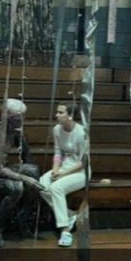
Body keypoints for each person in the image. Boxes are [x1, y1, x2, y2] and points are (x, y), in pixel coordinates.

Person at [0, 98, 44, 247]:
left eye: (23, 117)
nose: (22, 121)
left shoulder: (15, 130)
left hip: (5, 168)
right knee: (16, 187)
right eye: (18, 118)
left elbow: (27, 156)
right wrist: (25, 179)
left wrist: (31, 180)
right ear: (6, 117)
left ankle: (23, 217)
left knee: (33, 171)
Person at [40, 102, 88, 247]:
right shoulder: (57, 129)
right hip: (63, 167)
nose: (57, 115)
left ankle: (65, 230)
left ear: (70, 115)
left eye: (61, 112)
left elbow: (84, 162)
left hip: (80, 171)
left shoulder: (81, 132)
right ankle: (70, 215)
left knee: (56, 188)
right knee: (42, 184)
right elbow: (57, 153)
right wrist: (55, 169)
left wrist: (63, 174)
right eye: (57, 112)